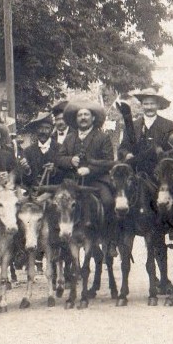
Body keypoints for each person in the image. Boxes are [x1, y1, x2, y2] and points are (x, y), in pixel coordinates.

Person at [55, 101, 116, 244]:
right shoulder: (69, 138)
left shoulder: (103, 137)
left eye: (86, 115)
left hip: (98, 180)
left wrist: (90, 169)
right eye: (80, 115)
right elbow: (58, 158)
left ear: (93, 118)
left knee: (108, 202)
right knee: (56, 202)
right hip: (72, 182)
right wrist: (70, 160)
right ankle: (58, 242)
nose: (83, 118)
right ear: (76, 119)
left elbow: (108, 161)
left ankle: (110, 239)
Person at [118, 88, 173, 177]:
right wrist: (127, 154)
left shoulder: (169, 125)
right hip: (136, 171)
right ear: (141, 105)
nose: (149, 107)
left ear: (157, 105)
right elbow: (123, 148)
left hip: (161, 173)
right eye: (146, 104)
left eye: (152, 104)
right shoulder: (132, 126)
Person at [22, 111, 61, 187]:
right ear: (36, 130)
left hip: (54, 193)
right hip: (34, 194)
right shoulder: (28, 151)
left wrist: (54, 171)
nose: (43, 131)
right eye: (40, 128)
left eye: (47, 128)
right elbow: (25, 182)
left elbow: (65, 176)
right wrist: (27, 170)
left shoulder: (60, 149)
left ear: (52, 130)